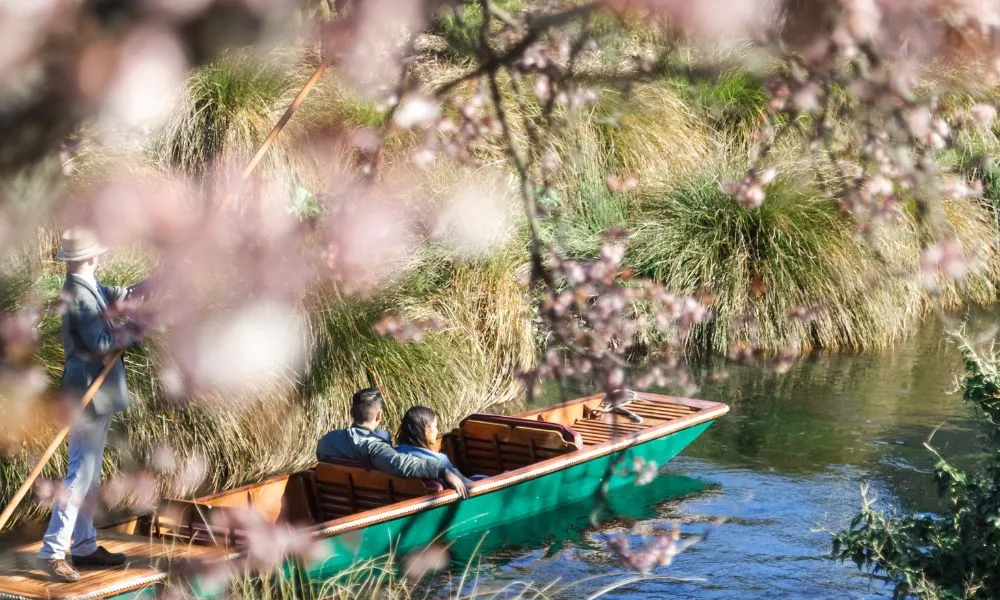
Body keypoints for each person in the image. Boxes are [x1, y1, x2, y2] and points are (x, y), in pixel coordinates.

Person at [39, 228, 150, 583]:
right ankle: (54, 550)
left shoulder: (88, 287)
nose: (100, 256)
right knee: (80, 473)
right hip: (85, 393)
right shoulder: (79, 296)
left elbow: (125, 295)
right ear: (89, 257)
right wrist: (135, 330)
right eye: (96, 253)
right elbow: (102, 342)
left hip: (95, 396)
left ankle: (84, 546)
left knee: (89, 473)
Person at [316, 388, 469, 498]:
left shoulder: (327, 442)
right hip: (375, 503)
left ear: (351, 413)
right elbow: (399, 463)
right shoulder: (375, 448)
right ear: (378, 416)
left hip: (339, 502)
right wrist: (442, 471)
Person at [395, 405, 485, 485]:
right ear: (427, 429)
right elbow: (469, 486)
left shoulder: (394, 456)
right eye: (436, 426)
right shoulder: (440, 461)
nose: (437, 431)